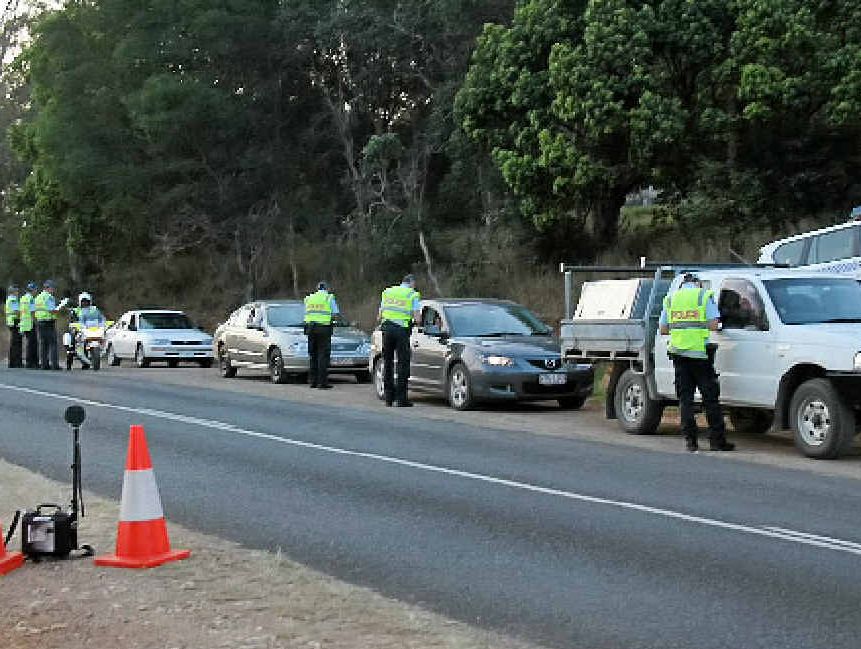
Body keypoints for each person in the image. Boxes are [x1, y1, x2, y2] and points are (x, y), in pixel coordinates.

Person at [659, 272, 734, 453]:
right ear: (698, 283)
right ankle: (717, 442)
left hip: (678, 355)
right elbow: (715, 325)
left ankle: (690, 442)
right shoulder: (703, 295)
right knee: (710, 399)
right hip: (700, 355)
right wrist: (700, 326)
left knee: (685, 400)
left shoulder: (671, 299)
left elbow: (663, 329)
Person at [378, 274, 421, 407]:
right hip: (401, 331)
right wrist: (416, 323)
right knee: (403, 364)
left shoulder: (387, 292)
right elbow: (418, 319)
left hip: (386, 330)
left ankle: (388, 398)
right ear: (411, 283)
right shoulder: (412, 295)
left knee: (388, 363)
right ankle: (402, 399)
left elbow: (379, 316)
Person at [304, 281, 339, 389]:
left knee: (313, 354)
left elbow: (306, 313)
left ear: (317, 288)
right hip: (323, 328)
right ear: (326, 288)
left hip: (310, 328)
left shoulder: (309, 298)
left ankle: (312, 381)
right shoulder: (329, 298)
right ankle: (322, 382)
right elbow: (335, 314)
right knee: (322, 355)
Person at [33, 279, 68, 370]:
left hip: (40, 321)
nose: (54, 290)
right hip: (48, 322)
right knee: (53, 343)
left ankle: (44, 364)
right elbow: (52, 310)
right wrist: (61, 306)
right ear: (49, 288)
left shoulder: (38, 297)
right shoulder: (49, 297)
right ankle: (54, 365)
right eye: (53, 288)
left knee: (43, 344)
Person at [69, 292, 106, 369]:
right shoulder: (75, 310)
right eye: (83, 301)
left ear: (90, 301)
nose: (85, 303)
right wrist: (74, 323)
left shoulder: (94, 309)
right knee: (73, 334)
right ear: (80, 302)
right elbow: (72, 320)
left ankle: (93, 356)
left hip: (90, 329)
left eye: (86, 301)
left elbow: (100, 317)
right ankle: (72, 349)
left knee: (102, 335)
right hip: (79, 329)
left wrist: (103, 323)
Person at [19, 282, 38, 368]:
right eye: (35, 290)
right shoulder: (31, 299)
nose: (36, 292)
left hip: (24, 323)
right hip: (30, 323)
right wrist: (36, 321)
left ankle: (28, 362)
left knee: (28, 343)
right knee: (32, 344)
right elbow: (32, 311)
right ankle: (31, 363)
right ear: (33, 290)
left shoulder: (22, 298)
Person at [5, 285, 22, 368]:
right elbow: (16, 311)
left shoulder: (9, 299)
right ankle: (16, 362)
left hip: (11, 321)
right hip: (14, 321)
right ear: (13, 291)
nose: (18, 293)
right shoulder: (13, 299)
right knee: (16, 342)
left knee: (14, 342)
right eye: (17, 291)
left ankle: (12, 362)